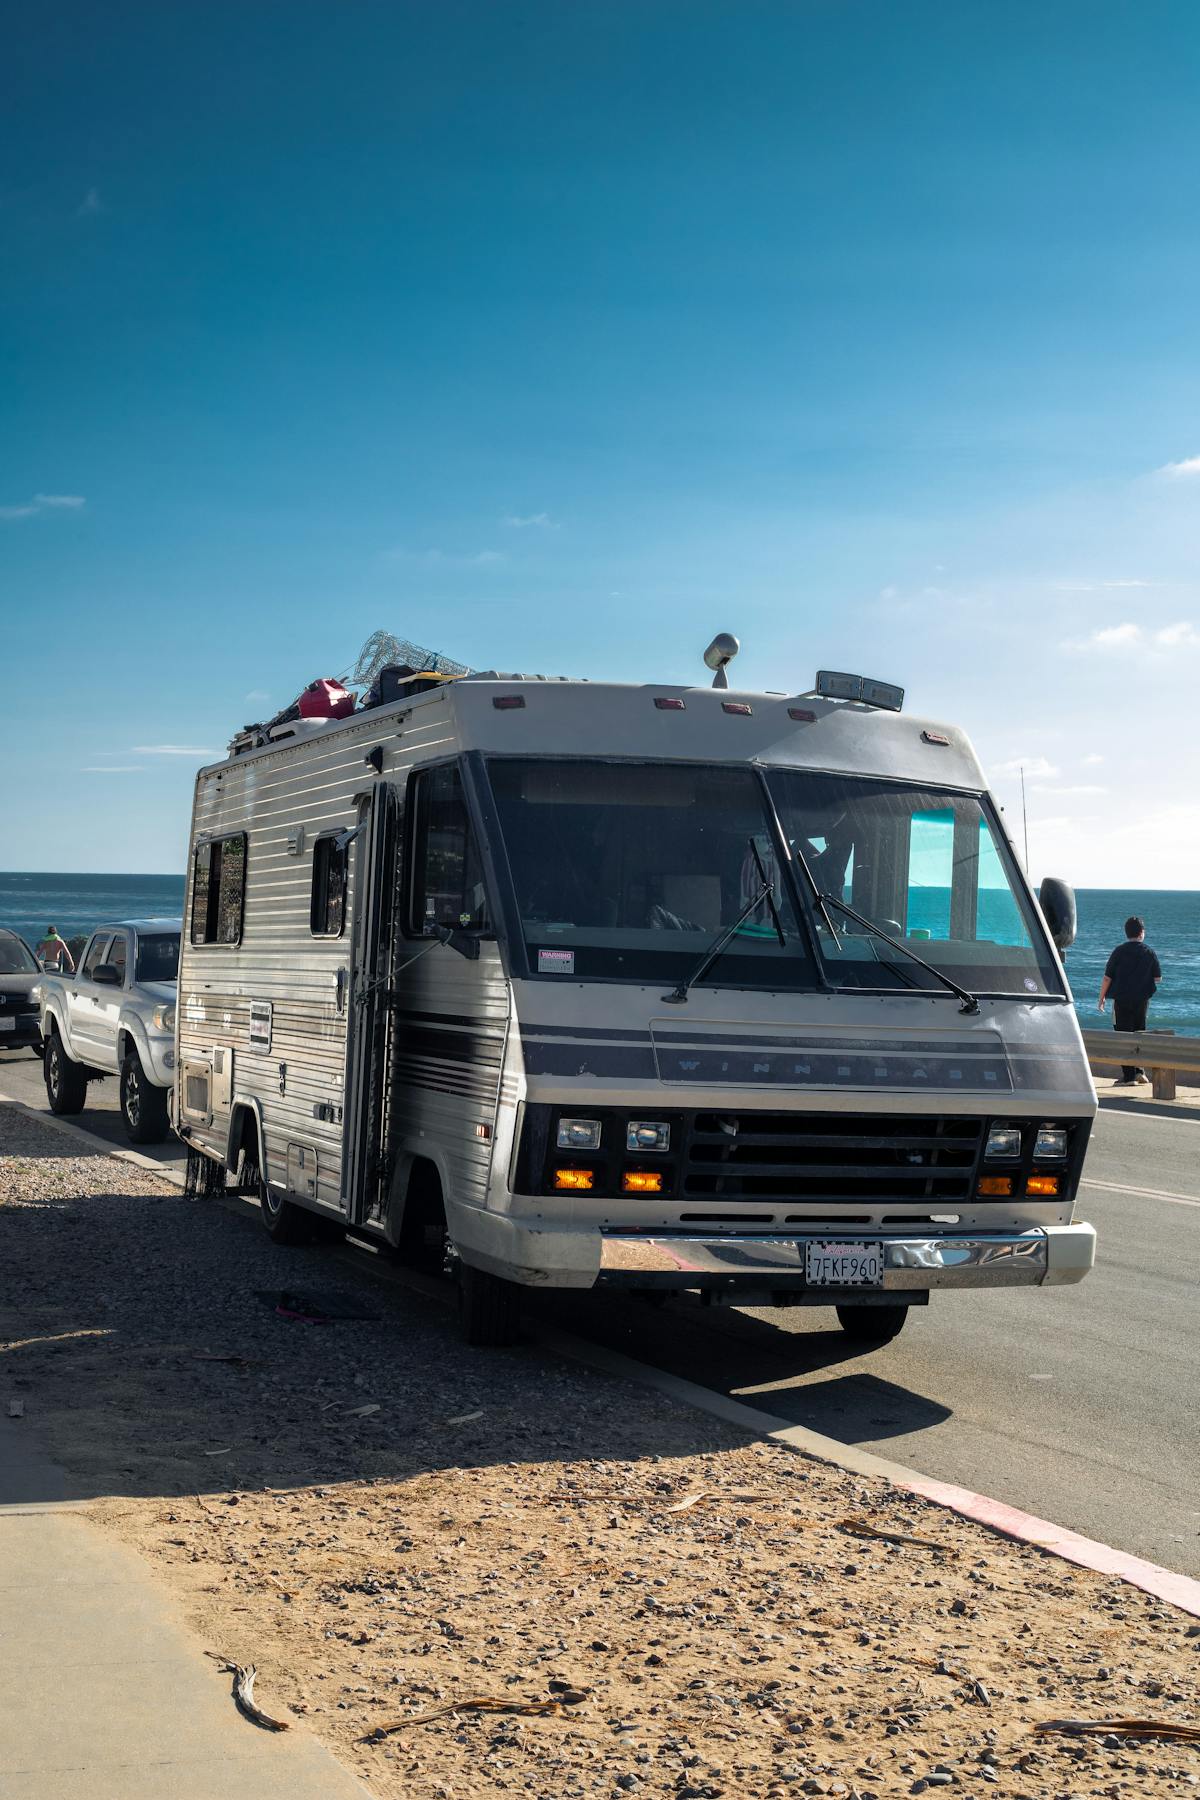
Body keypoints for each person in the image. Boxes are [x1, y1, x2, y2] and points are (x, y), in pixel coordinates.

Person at [1098, 915, 1162, 1085]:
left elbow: (1107, 978)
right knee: (1139, 1033)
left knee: (1122, 1035)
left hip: (1121, 999)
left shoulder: (1119, 951)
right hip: (1142, 1000)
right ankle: (1139, 1072)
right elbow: (1158, 978)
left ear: (1126, 933)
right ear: (1142, 933)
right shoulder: (1149, 952)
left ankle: (1128, 1077)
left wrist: (1101, 998)